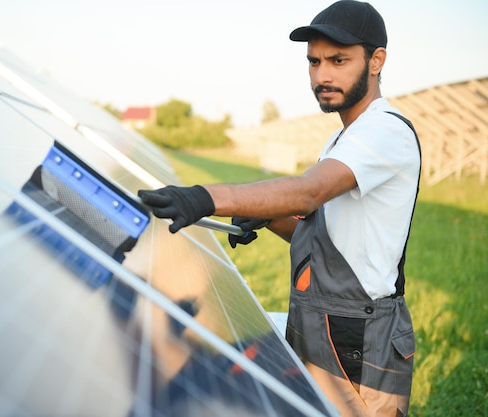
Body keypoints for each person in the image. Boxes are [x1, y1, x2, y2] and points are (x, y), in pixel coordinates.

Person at [137, 1, 421, 416]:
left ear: (376, 60)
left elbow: (306, 193)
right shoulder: (347, 137)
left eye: (338, 60)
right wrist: (270, 217)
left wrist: (206, 197)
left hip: (358, 338)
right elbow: (330, 239)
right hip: (324, 321)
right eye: (314, 62)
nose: (322, 75)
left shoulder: (385, 131)